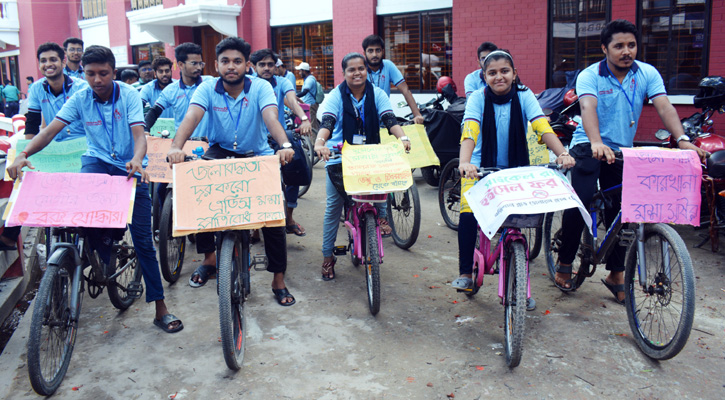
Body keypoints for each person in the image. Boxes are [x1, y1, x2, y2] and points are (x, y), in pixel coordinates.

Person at [7, 45, 183, 333]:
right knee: (82, 221)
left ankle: (160, 306)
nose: (97, 80)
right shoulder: (79, 98)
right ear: (83, 74)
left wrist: (138, 160)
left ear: (113, 72)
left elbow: (139, 135)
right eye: (90, 74)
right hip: (96, 162)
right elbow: (49, 130)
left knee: (141, 239)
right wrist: (24, 154)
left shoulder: (128, 95)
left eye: (103, 73)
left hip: (131, 166)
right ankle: (102, 253)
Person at [554, 20, 708, 304]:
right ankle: (565, 262)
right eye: (619, 46)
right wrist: (597, 142)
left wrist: (683, 139)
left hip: (623, 150)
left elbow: (664, 106)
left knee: (623, 210)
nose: (626, 51)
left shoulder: (647, 73)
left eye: (631, 45)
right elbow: (588, 107)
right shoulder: (591, 75)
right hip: (589, 144)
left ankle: (615, 273)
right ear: (605, 48)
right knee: (582, 201)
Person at [166, 37, 297, 306]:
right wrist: (176, 147)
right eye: (225, 61)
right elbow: (191, 116)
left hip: (256, 154)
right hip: (220, 150)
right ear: (216, 65)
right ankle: (210, 259)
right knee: (198, 193)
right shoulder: (206, 87)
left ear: (247, 64)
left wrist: (284, 145)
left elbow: (271, 117)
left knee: (273, 214)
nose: (231, 66)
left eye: (237, 61)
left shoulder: (260, 87)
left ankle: (278, 278)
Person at [452, 50, 575, 311]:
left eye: (504, 71)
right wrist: (465, 162)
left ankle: (521, 282)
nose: (499, 77)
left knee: (518, 222)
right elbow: (470, 131)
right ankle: (465, 272)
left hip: (515, 170)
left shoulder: (524, 95)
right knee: (468, 213)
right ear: (484, 76)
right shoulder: (477, 99)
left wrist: (562, 153)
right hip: (479, 168)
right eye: (492, 73)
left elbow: (542, 126)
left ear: (514, 73)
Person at [313, 52, 411, 281]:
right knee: (333, 207)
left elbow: (389, 120)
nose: (357, 73)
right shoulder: (336, 95)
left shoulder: (377, 94)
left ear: (367, 70)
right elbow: (327, 122)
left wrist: (403, 138)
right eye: (351, 69)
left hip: (371, 156)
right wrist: (320, 142)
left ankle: (382, 217)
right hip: (340, 156)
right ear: (344, 72)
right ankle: (328, 256)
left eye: (361, 69)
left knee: (382, 188)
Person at [0, 42, 90, 252]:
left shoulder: (81, 87)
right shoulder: (36, 88)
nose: (48, 64)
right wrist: (27, 153)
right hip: (52, 146)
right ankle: (10, 236)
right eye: (43, 61)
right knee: (26, 178)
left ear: (63, 61)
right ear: (39, 64)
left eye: (53, 60)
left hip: (82, 147)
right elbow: (31, 124)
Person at [251, 49, 312, 237]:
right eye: (262, 64)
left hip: (280, 135)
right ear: (253, 67)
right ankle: (254, 224)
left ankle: (289, 218)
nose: (267, 68)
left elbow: (292, 101)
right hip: (254, 138)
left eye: (271, 64)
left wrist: (303, 117)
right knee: (255, 182)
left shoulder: (283, 82)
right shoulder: (248, 84)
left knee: (293, 172)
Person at [361, 35, 424, 125]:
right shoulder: (360, 69)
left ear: (383, 51)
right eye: (370, 51)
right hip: (363, 119)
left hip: (384, 117)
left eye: (377, 50)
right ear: (364, 53)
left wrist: (417, 115)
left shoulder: (388, 66)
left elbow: (405, 90)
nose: (374, 54)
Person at [295, 62, 319, 130]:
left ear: (304, 71)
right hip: (308, 105)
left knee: (311, 127)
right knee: (312, 125)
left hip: (310, 105)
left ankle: (315, 140)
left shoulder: (310, 79)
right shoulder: (307, 79)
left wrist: (295, 96)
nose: (299, 73)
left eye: (300, 71)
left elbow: (305, 92)